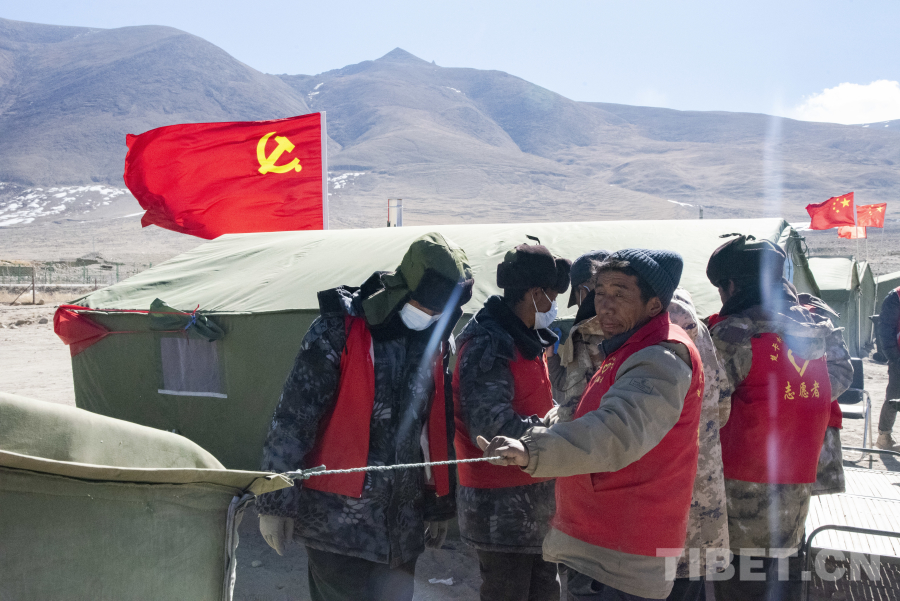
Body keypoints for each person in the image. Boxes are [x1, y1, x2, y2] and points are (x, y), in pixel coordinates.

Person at [256, 232, 474, 601]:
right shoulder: (338, 329)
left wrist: (439, 503)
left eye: (441, 309)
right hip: (336, 526)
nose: (432, 314)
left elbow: (435, 426)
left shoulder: (437, 340)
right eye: (426, 304)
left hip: (402, 529)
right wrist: (274, 502)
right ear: (404, 287)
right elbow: (293, 418)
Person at [480, 249, 704, 600]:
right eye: (600, 293)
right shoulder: (630, 347)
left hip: (623, 553)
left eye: (620, 294)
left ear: (654, 305)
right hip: (605, 542)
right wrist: (533, 434)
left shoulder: (660, 358)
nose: (605, 306)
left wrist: (532, 450)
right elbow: (584, 411)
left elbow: (615, 431)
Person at [705, 234, 852, 600]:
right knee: (784, 578)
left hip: (738, 492)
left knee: (739, 584)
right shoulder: (818, 325)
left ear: (732, 286)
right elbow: (839, 377)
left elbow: (706, 406)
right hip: (797, 484)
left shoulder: (733, 334)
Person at [453, 241, 571, 601]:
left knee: (544, 592)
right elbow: (492, 426)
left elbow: (535, 402)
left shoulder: (523, 337)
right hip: (501, 510)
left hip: (534, 505)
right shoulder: (490, 343)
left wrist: (563, 419)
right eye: (552, 297)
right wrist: (560, 431)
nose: (553, 307)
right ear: (535, 294)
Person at [548, 249, 609, 422]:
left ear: (583, 291)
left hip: (589, 430)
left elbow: (571, 408)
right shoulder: (629, 325)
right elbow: (570, 381)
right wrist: (551, 357)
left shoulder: (585, 334)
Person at [876, 286, 900, 449]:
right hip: (899, 356)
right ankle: (884, 436)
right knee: (894, 395)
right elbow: (885, 329)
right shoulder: (896, 297)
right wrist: (894, 357)